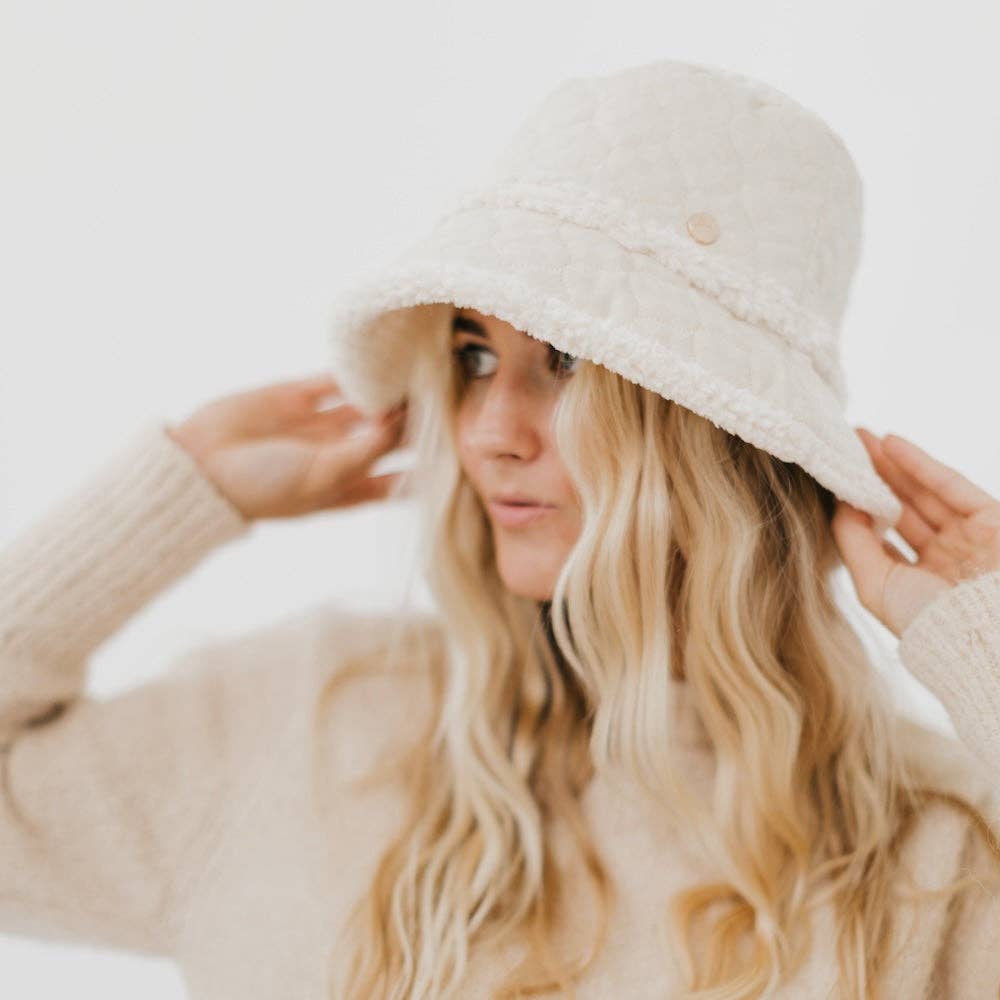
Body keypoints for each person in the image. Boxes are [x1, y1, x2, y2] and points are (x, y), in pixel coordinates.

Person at [2, 58, 999, 1000]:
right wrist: (168, 501)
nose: (483, 432)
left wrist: (985, 642)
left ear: (722, 432)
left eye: (563, 359)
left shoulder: (933, 852)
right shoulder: (301, 719)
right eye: (473, 355)